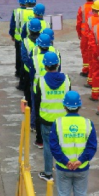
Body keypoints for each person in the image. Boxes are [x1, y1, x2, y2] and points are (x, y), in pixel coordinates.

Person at [50, 91, 97, 196]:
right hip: (81, 168)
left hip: (63, 168)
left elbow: (54, 146)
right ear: (79, 106)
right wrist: (80, 161)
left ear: (64, 106)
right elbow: (92, 146)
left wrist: (65, 161)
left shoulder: (58, 123)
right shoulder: (88, 124)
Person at [36, 51, 71, 181]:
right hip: (63, 120)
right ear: (58, 64)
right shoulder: (67, 80)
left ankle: (48, 173)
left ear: (45, 66)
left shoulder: (41, 82)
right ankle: (65, 170)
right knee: (63, 145)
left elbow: (37, 102)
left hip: (47, 120)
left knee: (48, 146)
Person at [76, 0, 97, 79]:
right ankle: (93, 71)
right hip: (95, 33)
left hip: (85, 33)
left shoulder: (82, 8)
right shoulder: (98, 7)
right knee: (94, 53)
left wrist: (79, 33)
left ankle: (86, 70)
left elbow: (79, 22)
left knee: (85, 52)